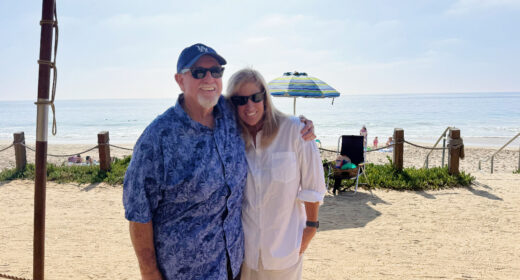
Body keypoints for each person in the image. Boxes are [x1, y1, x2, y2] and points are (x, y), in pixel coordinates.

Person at [123, 43, 315, 280]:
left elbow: (257, 107)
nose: (209, 78)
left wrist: (299, 124)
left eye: (216, 71)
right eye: (198, 72)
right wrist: (149, 273)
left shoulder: (230, 113)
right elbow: (138, 213)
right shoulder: (157, 138)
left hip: (234, 267)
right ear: (180, 80)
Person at [226, 68, 326, 280]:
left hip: (286, 252)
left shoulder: (295, 131)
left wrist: (310, 230)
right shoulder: (232, 140)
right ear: (232, 104)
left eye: (256, 97)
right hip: (245, 255)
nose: (249, 106)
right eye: (240, 100)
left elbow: (313, 186)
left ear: (265, 97)